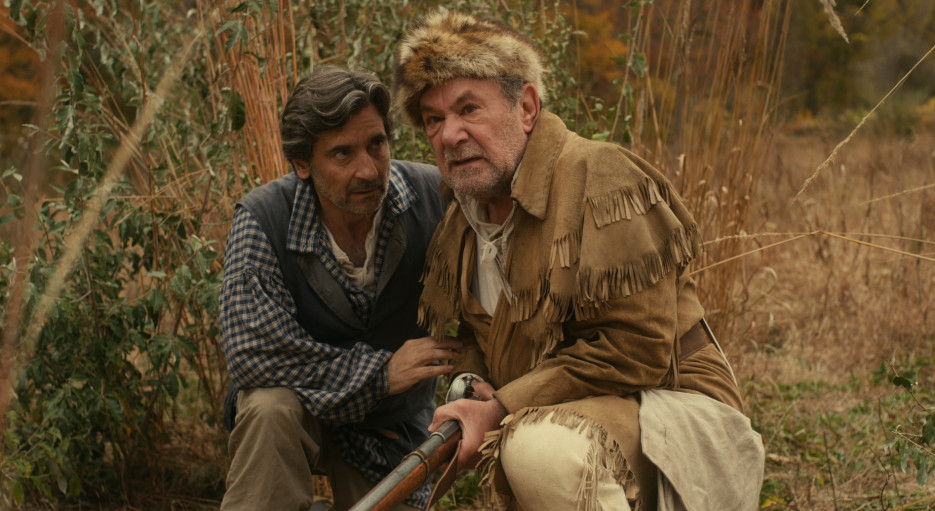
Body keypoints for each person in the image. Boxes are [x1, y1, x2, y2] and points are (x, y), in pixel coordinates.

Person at [392, 12, 765, 511]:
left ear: (526, 107)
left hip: (672, 412)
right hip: (563, 417)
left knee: (540, 451)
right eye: (434, 120)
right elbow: (482, 337)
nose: (449, 135)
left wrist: (502, 406)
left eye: (469, 109)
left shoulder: (600, 175)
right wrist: (472, 388)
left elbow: (637, 349)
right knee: (536, 442)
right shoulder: (462, 218)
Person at [218, 65, 458, 511]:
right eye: (342, 154)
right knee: (268, 407)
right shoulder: (263, 218)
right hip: (295, 415)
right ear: (303, 164)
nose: (368, 170)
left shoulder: (434, 197)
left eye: (377, 145)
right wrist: (380, 374)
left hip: (387, 428)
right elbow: (253, 355)